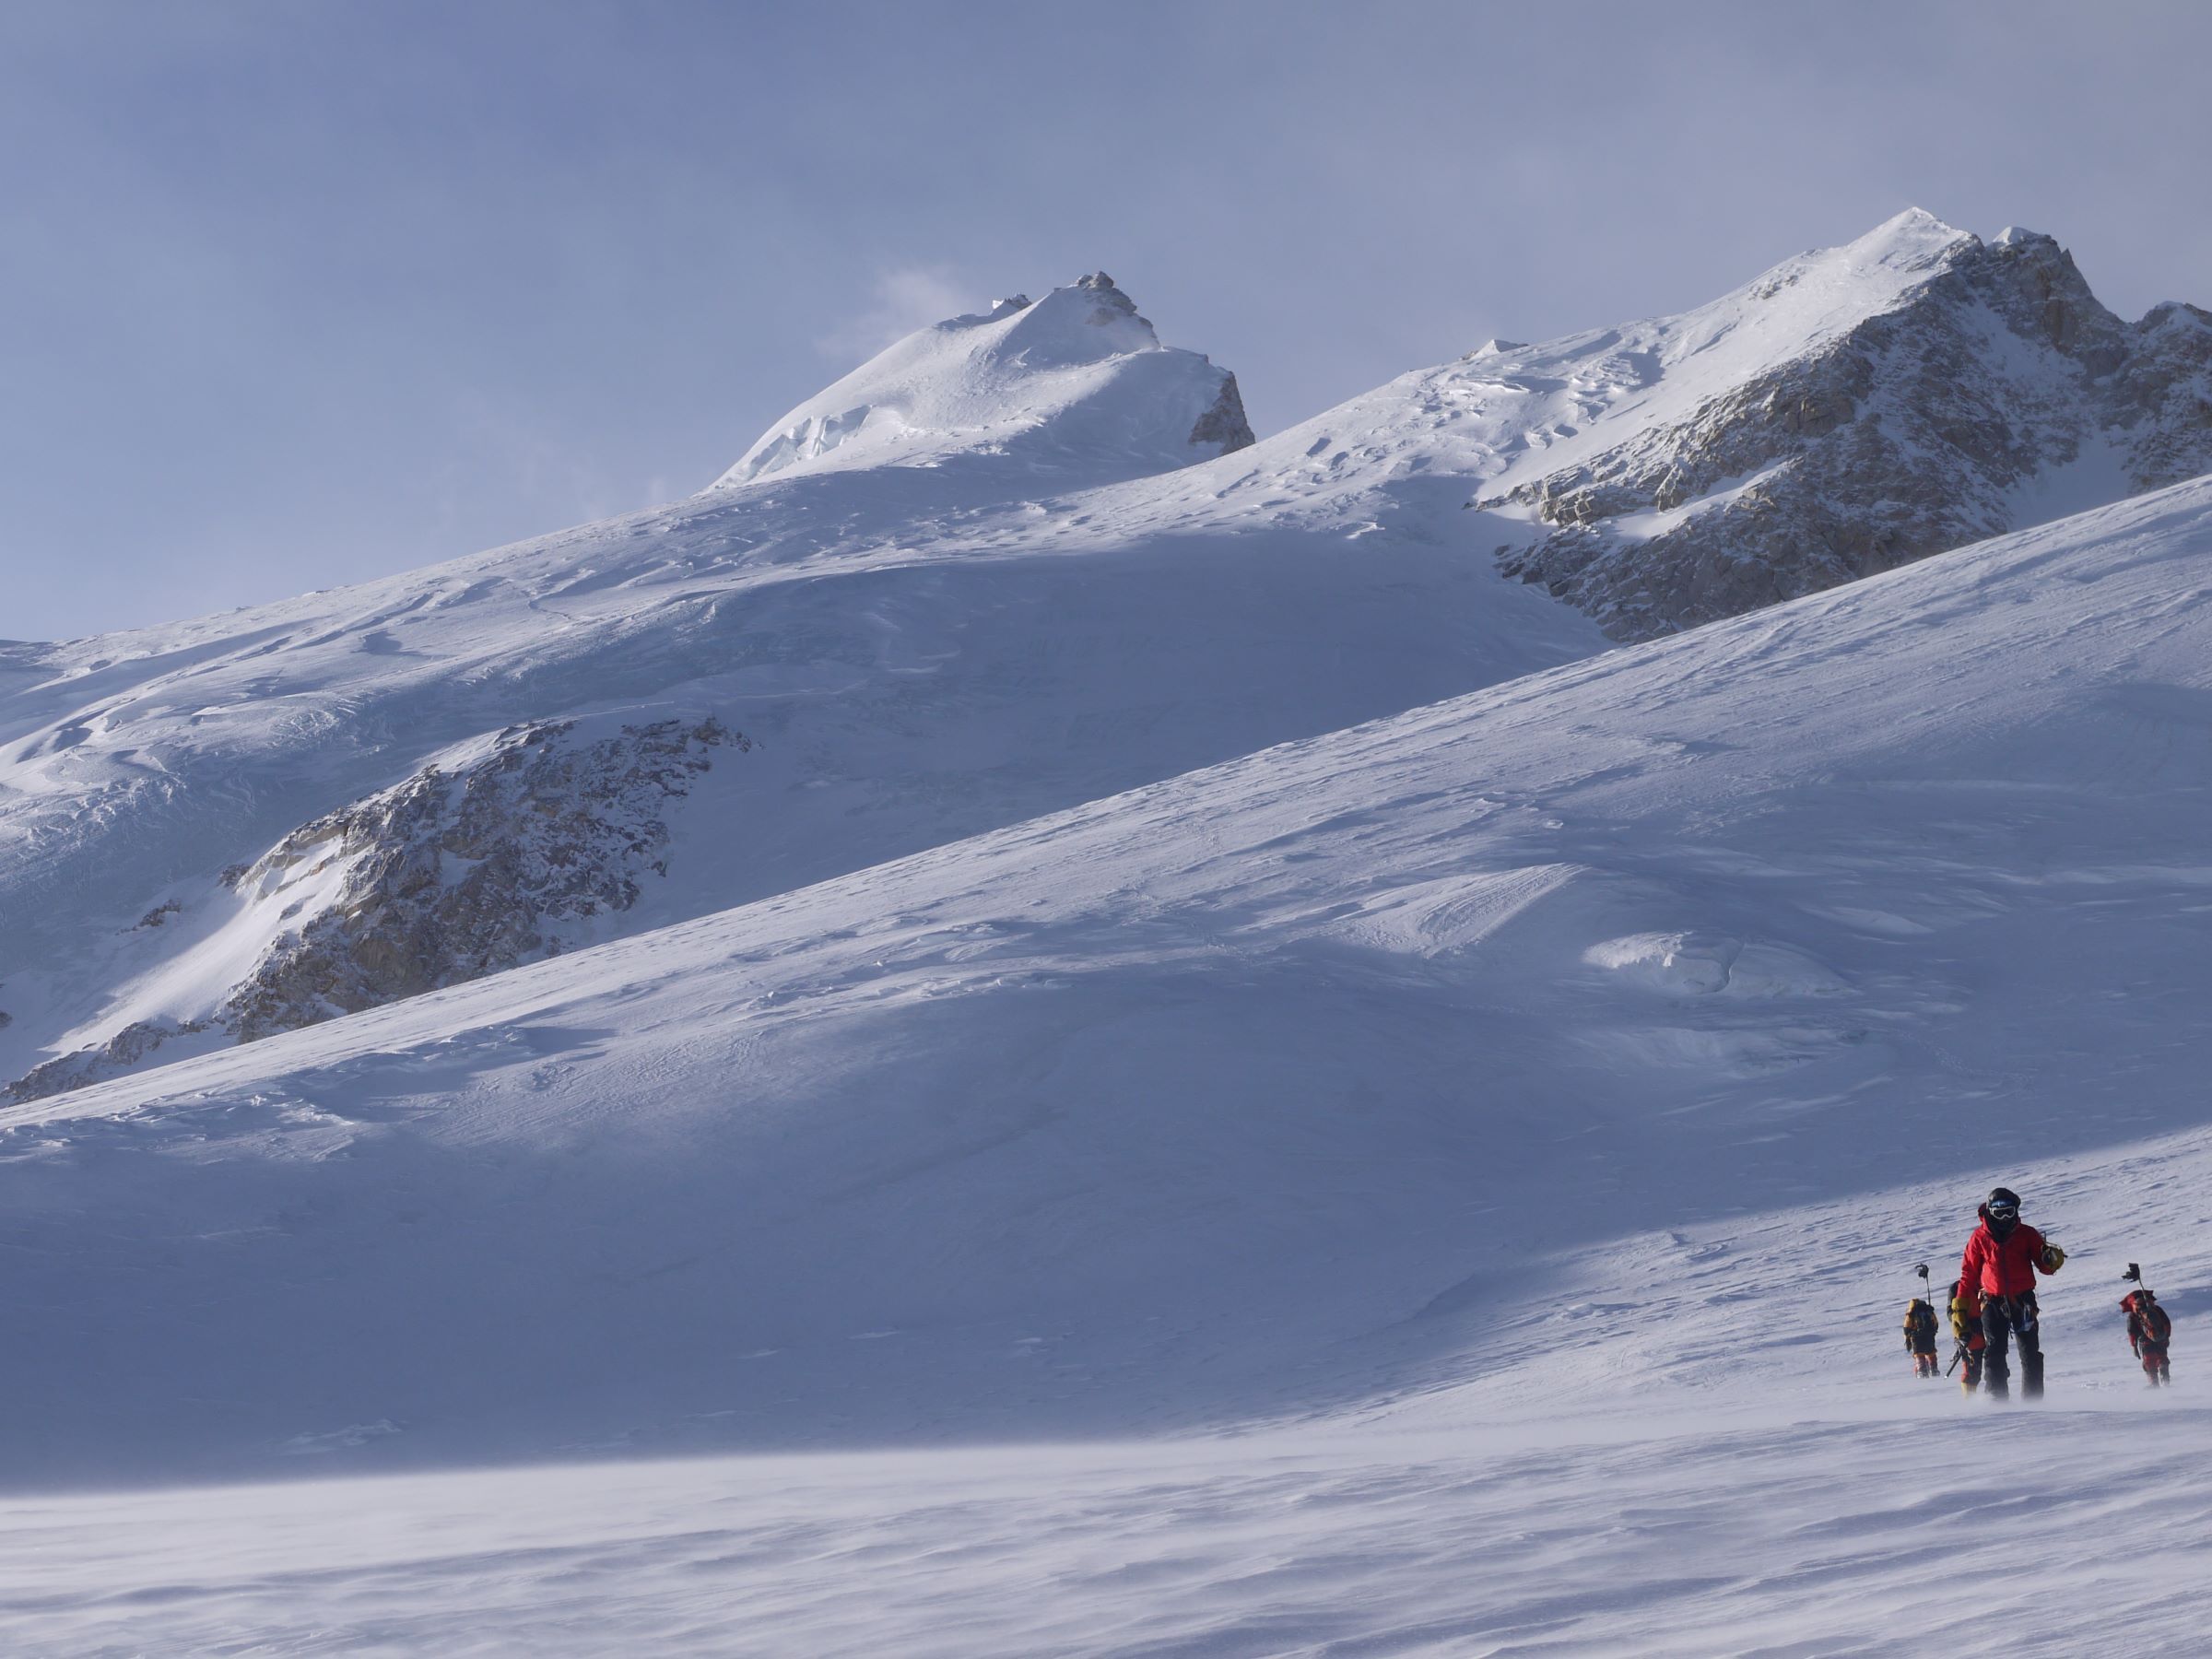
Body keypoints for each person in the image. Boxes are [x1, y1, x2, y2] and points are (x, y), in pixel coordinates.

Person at [1954, 1186, 2065, 1398]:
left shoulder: (2027, 1234)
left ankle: (2033, 1400)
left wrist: (2051, 1261)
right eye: (1998, 1211)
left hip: (2023, 1302)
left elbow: (2045, 1268)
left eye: (2009, 1211)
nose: (2004, 1217)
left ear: (2016, 1211)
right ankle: (1997, 1399)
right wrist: (1960, 1306)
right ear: (1989, 1211)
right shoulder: (1979, 1238)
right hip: (1992, 1302)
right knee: (1994, 1351)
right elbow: (1968, 1273)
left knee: (2030, 1352)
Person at [2122, 1288, 2172, 1385]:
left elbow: (2131, 1332)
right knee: (2162, 1358)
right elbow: (2167, 1323)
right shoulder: (2156, 1309)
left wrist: (2134, 1347)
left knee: (2149, 1362)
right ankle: (2165, 1379)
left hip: (2145, 1342)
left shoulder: (2133, 1315)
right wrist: (2167, 1337)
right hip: (2161, 1338)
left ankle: (2154, 1384)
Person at [1948, 1276, 1987, 1393]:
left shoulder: (1986, 1283)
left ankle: (1972, 1399)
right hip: (1969, 1334)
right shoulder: (1957, 1287)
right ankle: (1969, 1401)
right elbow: (1951, 1313)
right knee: (1973, 1370)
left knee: (1979, 1369)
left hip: (1982, 1332)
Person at [1903, 1295, 1940, 1377]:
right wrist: (1933, 1332)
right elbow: (1936, 1323)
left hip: (1917, 1337)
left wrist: (1907, 1338)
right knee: (1931, 1354)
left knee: (1919, 1355)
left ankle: (1922, 1371)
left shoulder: (1911, 1312)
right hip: (1929, 1336)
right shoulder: (1928, 1310)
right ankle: (1934, 1369)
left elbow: (1906, 1327)